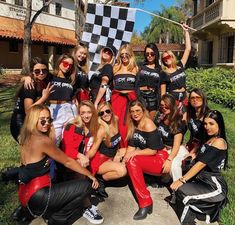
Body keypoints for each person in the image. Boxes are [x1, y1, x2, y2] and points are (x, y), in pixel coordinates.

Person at [17, 104, 99, 225]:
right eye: (42, 120)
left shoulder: (26, 136)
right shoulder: (42, 141)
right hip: (40, 196)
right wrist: (90, 174)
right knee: (86, 186)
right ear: (33, 120)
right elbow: (67, 161)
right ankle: (57, 220)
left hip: (25, 194)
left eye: (49, 119)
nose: (47, 123)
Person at [171, 110, 228, 225]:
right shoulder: (209, 139)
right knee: (179, 193)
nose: (207, 127)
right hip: (201, 180)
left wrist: (182, 180)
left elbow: (201, 164)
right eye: (205, 124)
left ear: (219, 124)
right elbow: (203, 154)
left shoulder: (219, 142)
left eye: (211, 124)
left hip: (213, 185)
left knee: (184, 195)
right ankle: (203, 212)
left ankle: (210, 211)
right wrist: (194, 153)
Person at [61, 100, 104, 224]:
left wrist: (86, 158)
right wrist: (80, 155)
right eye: (83, 112)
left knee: (86, 165)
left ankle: (83, 192)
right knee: (80, 166)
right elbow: (66, 149)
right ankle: (86, 206)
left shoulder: (94, 127)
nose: (86, 115)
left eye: (89, 112)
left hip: (84, 160)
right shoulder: (72, 126)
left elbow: (93, 149)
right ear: (79, 113)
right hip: (69, 161)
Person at [124, 100, 168, 220]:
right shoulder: (134, 125)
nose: (135, 114)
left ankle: (145, 202)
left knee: (133, 160)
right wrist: (125, 160)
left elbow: (153, 150)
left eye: (138, 111)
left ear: (143, 111)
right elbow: (131, 147)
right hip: (149, 157)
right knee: (129, 160)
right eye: (132, 111)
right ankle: (146, 202)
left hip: (160, 158)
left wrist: (135, 153)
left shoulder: (148, 124)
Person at [87, 102, 127, 195]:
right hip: (101, 161)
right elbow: (93, 149)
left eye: (107, 111)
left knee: (130, 152)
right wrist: (84, 159)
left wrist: (118, 153)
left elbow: (117, 141)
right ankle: (100, 179)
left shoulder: (116, 119)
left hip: (112, 156)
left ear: (111, 111)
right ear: (99, 116)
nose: (105, 114)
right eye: (101, 113)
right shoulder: (102, 130)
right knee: (122, 170)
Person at [10, 57, 53, 142]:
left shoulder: (40, 81)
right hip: (20, 123)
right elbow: (28, 110)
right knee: (31, 149)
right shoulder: (30, 87)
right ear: (32, 72)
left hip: (28, 121)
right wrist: (44, 97)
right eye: (37, 71)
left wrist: (25, 77)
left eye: (44, 70)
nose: (41, 73)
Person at [155, 94, 187, 203]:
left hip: (177, 150)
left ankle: (178, 194)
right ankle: (165, 179)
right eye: (162, 106)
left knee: (173, 165)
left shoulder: (177, 122)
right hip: (165, 149)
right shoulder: (161, 118)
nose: (164, 108)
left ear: (172, 106)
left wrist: (169, 159)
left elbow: (176, 146)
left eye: (166, 106)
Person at [160, 23, 191, 120]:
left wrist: (186, 31)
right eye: (164, 58)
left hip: (184, 97)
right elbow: (163, 93)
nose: (166, 59)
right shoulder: (164, 73)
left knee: (184, 123)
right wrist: (165, 105)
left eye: (168, 56)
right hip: (173, 98)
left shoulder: (180, 66)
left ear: (172, 56)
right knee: (173, 121)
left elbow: (188, 49)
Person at [112, 43, 138, 147]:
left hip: (131, 100)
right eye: (122, 55)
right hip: (117, 100)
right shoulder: (115, 68)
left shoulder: (135, 69)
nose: (124, 57)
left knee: (128, 125)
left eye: (126, 54)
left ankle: (128, 147)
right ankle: (117, 148)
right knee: (116, 124)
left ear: (130, 55)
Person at [48, 54, 77, 144]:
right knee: (52, 140)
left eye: (70, 65)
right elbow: (34, 77)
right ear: (59, 62)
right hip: (54, 110)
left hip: (69, 110)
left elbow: (73, 97)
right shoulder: (50, 77)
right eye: (65, 63)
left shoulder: (71, 80)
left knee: (69, 140)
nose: (68, 67)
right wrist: (26, 78)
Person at [136, 43, 163, 119]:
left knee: (151, 122)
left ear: (156, 53)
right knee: (142, 121)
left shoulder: (160, 69)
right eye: (147, 54)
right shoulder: (140, 66)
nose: (149, 56)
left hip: (153, 99)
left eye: (152, 53)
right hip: (141, 97)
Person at [186, 88, 210, 158]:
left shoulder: (208, 116)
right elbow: (193, 132)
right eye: (192, 98)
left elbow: (208, 139)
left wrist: (193, 152)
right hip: (194, 144)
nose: (195, 100)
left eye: (198, 97)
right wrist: (188, 143)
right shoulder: (191, 113)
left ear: (203, 99)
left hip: (205, 147)